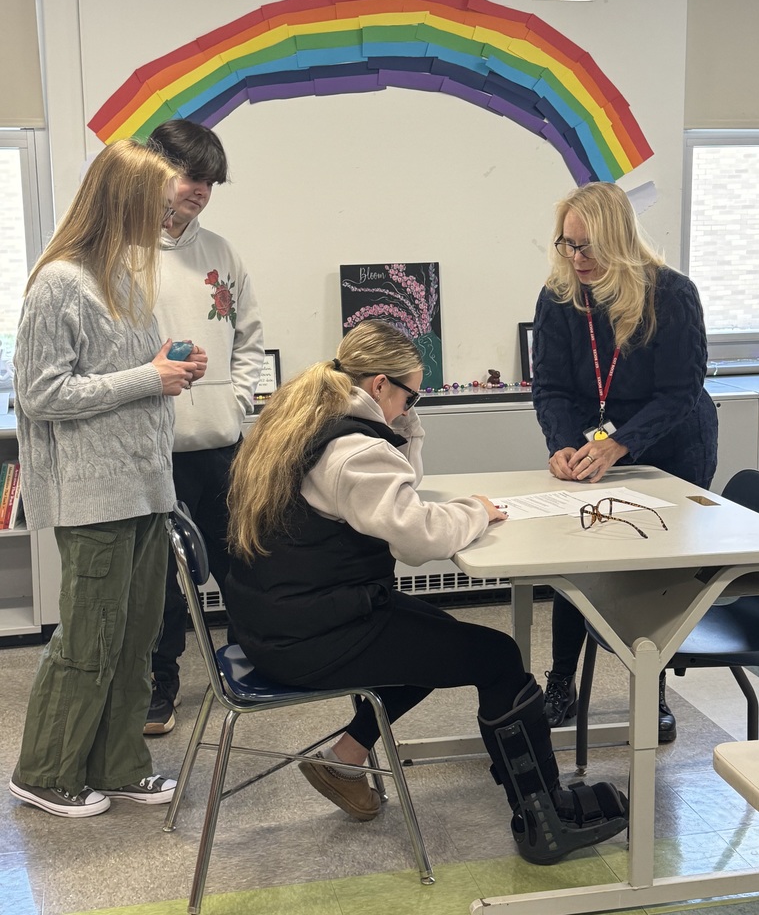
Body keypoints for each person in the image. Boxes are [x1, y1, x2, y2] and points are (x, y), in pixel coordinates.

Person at [225, 319, 629, 863]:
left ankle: (345, 757)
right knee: (498, 658)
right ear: (379, 386)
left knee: (437, 637)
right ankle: (546, 819)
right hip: (311, 638)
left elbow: (401, 486)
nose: (412, 408)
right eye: (411, 395)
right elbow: (419, 539)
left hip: (280, 622)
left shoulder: (315, 419)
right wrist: (477, 512)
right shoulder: (353, 452)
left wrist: (407, 421)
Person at [9, 139, 207, 818]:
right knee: (88, 640)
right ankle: (44, 772)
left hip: (146, 486)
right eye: (156, 206)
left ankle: (122, 765)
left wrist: (168, 364)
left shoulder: (124, 276)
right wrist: (150, 376)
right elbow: (40, 395)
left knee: (136, 636)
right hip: (92, 496)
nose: (167, 220)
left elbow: (120, 375)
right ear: (121, 201)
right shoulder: (60, 281)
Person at [531, 181, 718, 741]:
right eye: (567, 245)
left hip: (672, 444)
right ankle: (561, 682)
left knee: (655, 571)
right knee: (578, 555)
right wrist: (563, 445)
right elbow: (551, 387)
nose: (577, 258)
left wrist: (618, 445)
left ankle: (653, 690)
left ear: (620, 241)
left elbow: (680, 391)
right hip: (594, 442)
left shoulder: (672, 294)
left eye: (588, 247)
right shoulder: (559, 295)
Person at [143, 120, 264, 735]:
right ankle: (160, 686)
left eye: (211, 183)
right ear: (156, 170)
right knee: (162, 579)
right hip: (150, 452)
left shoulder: (222, 251)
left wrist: (235, 402)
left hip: (221, 445)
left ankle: (254, 663)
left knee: (237, 561)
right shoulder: (121, 252)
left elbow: (250, 342)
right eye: (193, 178)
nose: (202, 192)